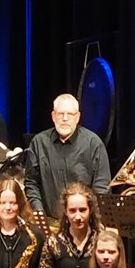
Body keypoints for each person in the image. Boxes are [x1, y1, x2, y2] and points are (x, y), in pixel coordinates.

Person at [22, 95, 111, 224]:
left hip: (83, 223)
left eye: (70, 114)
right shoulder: (39, 143)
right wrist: (39, 213)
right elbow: (31, 183)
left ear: (78, 117)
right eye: (60, 114)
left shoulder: (93, 144)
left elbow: (102, 187)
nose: (65, 118)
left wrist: (89, 217)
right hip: (49, 222)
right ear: (53, 116)